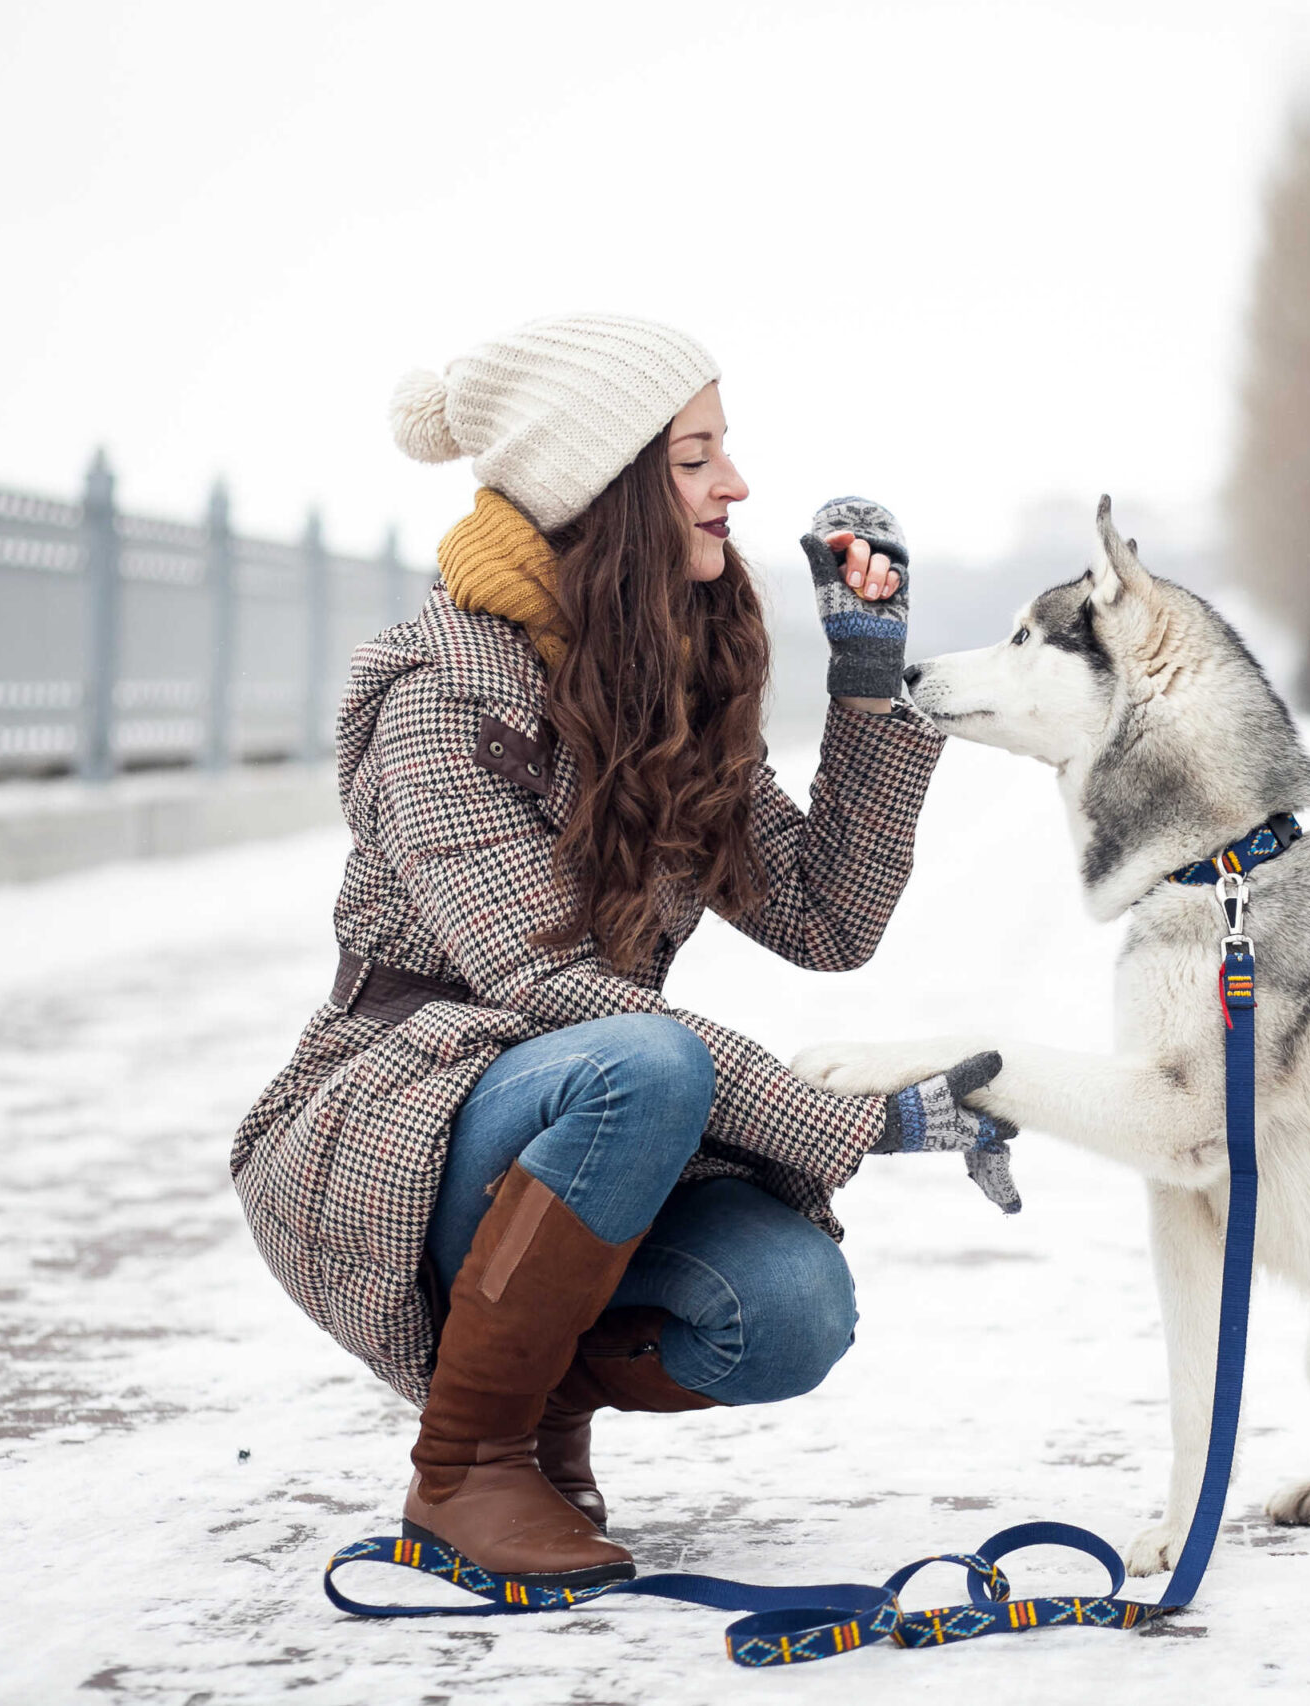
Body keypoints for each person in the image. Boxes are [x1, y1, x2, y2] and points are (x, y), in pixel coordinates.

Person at [229, 313, 1014, 1590]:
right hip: (402, 1115)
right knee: (641, 1061)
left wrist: (868, 682)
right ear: (608, 485)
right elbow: (542, 988)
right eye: (696, 456)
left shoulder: (664, 678)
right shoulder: (441, 689)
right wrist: (849, 1120)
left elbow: (827, 916)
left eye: (727, 451)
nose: (738, 486)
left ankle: (541, 1417)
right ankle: (466, 1468)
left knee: (791, 1310)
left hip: (592, 1102)